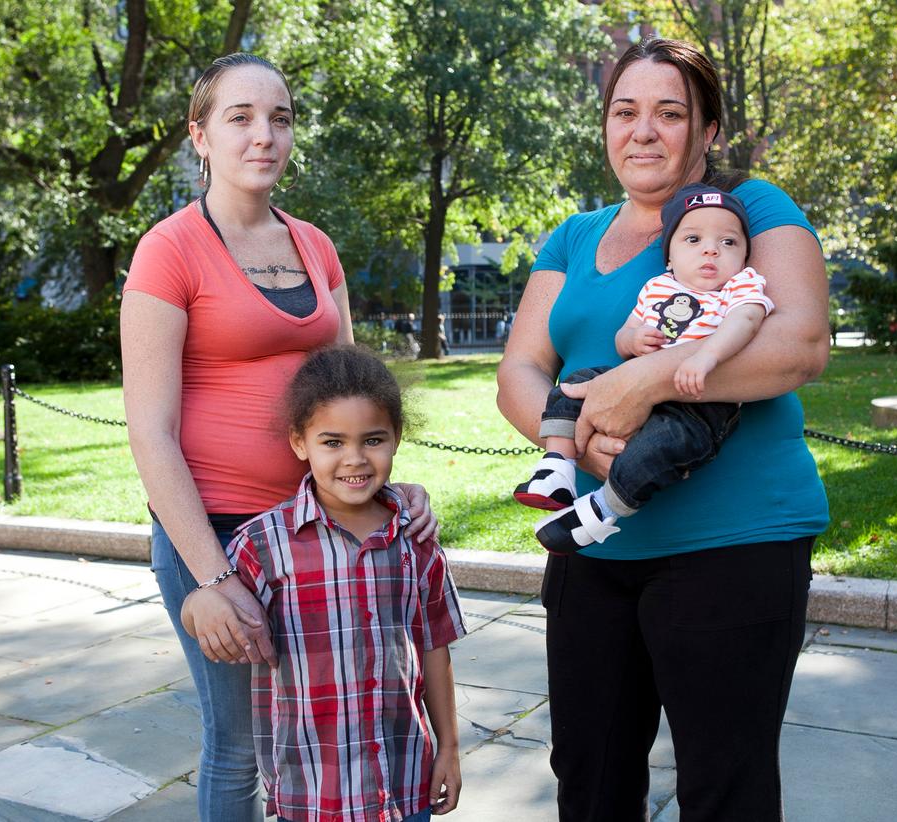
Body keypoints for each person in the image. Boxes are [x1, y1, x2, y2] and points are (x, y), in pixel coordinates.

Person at [496, 39, 829, 821]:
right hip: (591, 547)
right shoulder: (574, 234)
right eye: (625, 112)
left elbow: (800, 344)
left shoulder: (750, 209)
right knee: (589, 783)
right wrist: (580, 440)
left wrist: (642, 382)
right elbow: (520, 370)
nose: (643, 131)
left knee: (725, 790)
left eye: (669, 113)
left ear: (707, 130)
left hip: (733, 545)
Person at [121, 53, 437, 822]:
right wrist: (213, 576)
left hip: (316, 528)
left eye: (280, 118)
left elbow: (356, 399)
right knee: (241, 744)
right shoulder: (168, 249)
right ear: (200, 136)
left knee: (331, 727)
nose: (264, 135)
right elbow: (151, 431)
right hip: (217, 532)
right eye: (240, 117)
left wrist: (387, 490)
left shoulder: (316, 246)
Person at [180, 346, 465, 822]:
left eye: (372, 440)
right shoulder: (264, 544)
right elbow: (202, 610)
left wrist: (449, 747)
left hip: (404, 786)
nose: (354, 459)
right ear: (300, 442)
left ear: (396, 438)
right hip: (311, 794)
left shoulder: (415, 539)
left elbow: (436, 646)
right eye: (332, 442)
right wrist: (202, 601)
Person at [514, 184, 772, 554]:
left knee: (655, 450)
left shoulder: (739, 285)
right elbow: (625, 334)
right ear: (670, 256)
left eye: (729, 242)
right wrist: (633, 340)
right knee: (573, 385)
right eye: (693, 239)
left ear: (745, 256)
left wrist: (706, 357)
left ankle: (599, 512)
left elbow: (745, 321)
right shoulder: (657, 287)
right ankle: (557, 466)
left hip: (698, 406)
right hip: (629, 387)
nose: (711, 249)